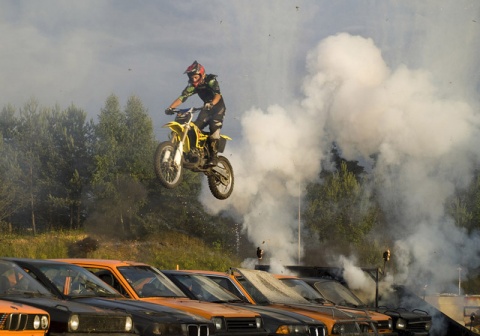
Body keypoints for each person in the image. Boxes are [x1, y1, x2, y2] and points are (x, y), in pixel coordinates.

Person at [165, 61, 226, 166]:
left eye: (196, 77)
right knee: (194, 128)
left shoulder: (210, 81)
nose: (193, 80)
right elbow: (182, 97)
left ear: (201, 75)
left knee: (214, 126)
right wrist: (170, 107)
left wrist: (211, 103)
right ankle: (195, 152)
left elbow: (218, 95)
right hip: (206, 109)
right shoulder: (193, 86)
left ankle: (214, 157)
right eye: (191, 77)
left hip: (218, 108)